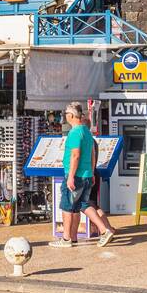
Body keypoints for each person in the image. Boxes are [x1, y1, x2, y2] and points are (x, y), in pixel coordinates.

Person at [50, 102, 115, 249]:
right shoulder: (86, 132)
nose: (64, 117)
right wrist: (91, 172)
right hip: (86, 174)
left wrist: (71, 176)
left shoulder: (74, 133)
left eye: (66, 114)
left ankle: (66, 238)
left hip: (77, 175)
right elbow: (92, 154)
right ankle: (104, 230)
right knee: (83, 205)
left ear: (71, 116)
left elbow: (75, 155)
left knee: (67, 206)